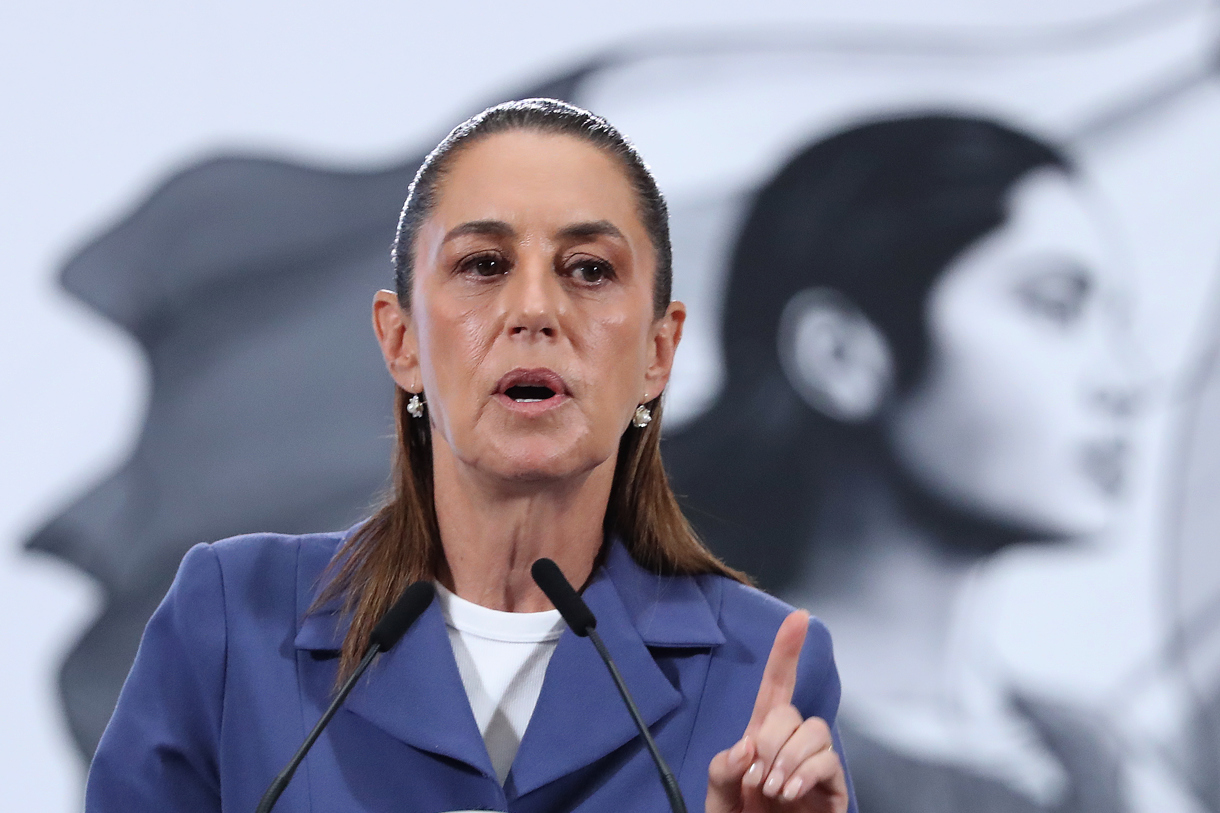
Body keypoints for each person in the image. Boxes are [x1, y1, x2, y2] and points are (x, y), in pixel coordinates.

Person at [84, 99, 855, 813]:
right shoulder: (229, 622)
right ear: (401, 340)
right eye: (483, 264)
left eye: (589, 269)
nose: (534, 310)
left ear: (660, 351)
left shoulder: (761, 669)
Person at [666, 114, 1137, 812]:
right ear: (840, 355)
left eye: (1121, 324)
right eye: (1054, 307)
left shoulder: (1090, 748)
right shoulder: (698, 746)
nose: (1124, 379)